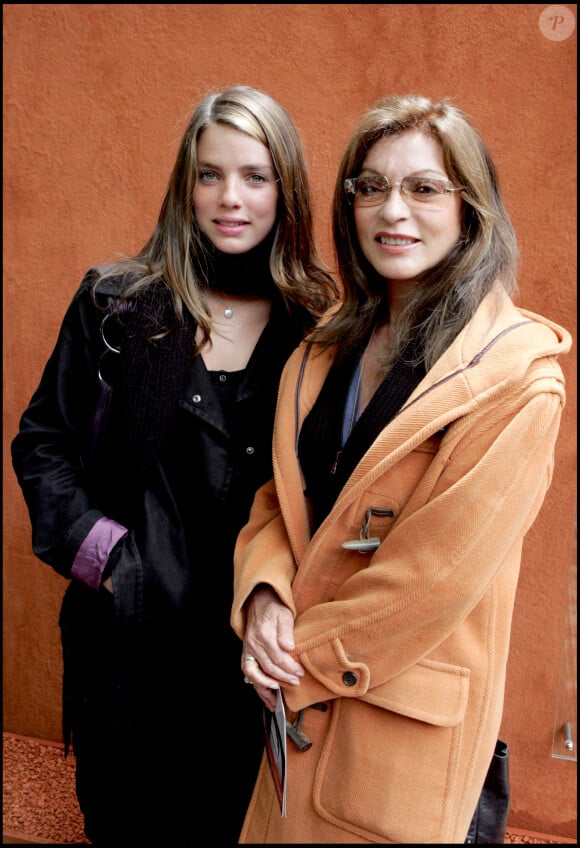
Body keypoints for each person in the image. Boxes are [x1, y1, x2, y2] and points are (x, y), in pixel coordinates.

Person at [231, 94, 572, 844]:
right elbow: (278, 503)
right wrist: (261, 599)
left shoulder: (520, 378)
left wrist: (293, 660)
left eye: (424, 188)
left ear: (470, 208)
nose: (394, 210)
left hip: (388, 730)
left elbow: (434, 577)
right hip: (289, 712)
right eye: (371, 186)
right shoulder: (326, 345)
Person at [11, 85, 338, 846]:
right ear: (183, 186)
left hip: (246, 648)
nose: (231, 198)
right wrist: (108, 560)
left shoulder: (321, 329)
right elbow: (43, 441)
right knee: (125, 822)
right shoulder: (117, 304)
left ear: (285, 189)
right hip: (128, 638)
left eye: (256, 176)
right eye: (209, 173)